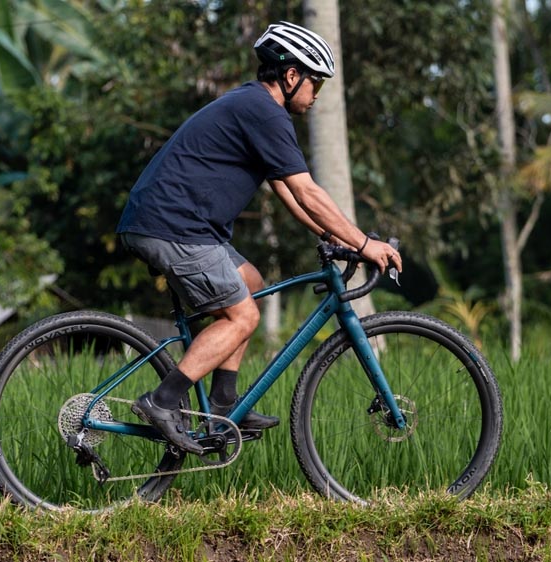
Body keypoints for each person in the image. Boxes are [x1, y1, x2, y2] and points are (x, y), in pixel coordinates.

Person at [116, 21, 402, 454]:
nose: (317, 93)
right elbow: (308, 189)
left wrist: (333, 237)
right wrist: (364, 244)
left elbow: (288, 191)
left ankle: (224, 403)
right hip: (174, 227)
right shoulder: (264, 111)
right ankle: (162, 400)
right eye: (315, 82)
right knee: (242, 316)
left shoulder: (255, 107)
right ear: (291, 76)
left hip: (178, 226)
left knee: (250, 284)